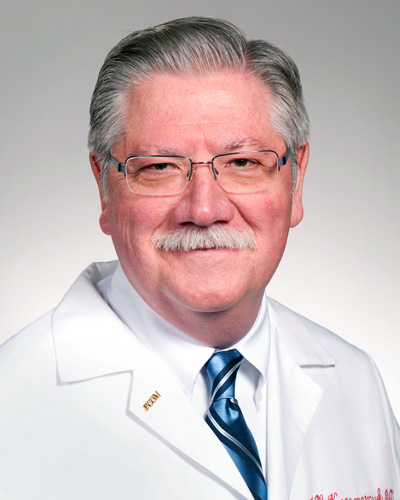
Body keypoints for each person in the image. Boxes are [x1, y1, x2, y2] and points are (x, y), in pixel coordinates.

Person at [0, 16, 398, 500]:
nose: (205, 210)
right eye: (160, 168)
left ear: (296, 180)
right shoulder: (13, 404)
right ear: (104, 186)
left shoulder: (356, 383)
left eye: (244, 163)